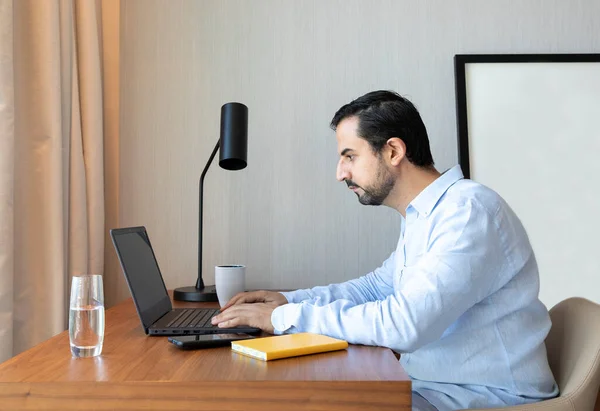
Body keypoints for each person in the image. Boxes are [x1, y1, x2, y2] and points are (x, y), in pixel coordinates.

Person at [212, 90, 558, 411]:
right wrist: (289, 300)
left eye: (350, 156)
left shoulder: (467, 212)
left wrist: (281, 319)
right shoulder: (426, 214)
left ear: (393, 151)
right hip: (436, 388)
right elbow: (377, 288)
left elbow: (404, 326)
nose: (340, 173)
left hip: (486, 398)